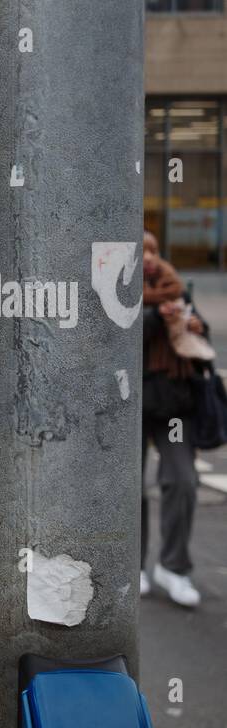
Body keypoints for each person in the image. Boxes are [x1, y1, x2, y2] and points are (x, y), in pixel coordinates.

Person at [140, 230, 204, 608]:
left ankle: (174, 566)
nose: (148, 257)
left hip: (173, 403)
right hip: (127, 403)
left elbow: (201, 337)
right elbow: (116, 333)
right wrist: (156, 317)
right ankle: (134, 567)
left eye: (153, 250)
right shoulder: (114, 288)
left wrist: (193, 326)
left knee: (183, 481)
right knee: (129, 489)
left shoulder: (174, 286)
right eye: (141, 250)